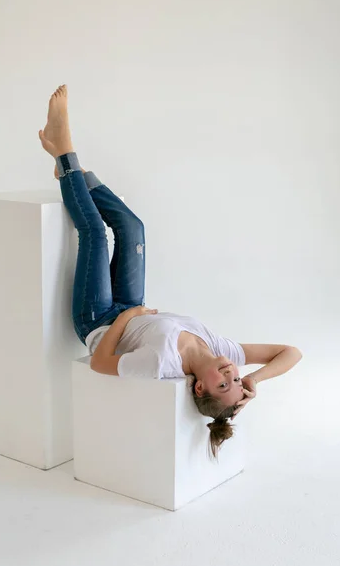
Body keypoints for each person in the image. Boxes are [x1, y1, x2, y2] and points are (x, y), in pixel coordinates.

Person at [39, 85, 302, 457]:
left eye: (223, 384)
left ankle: (64, 147)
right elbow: (291, 352)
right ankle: (74, 171)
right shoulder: (221, 350)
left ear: (199, 388)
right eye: (235, 380)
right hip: (131, 307)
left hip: (98, 320)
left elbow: (99, 364)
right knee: (133, 228)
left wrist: (128, 315)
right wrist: (253, 380)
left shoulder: (160, 364)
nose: (230, 374)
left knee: (95, 234)